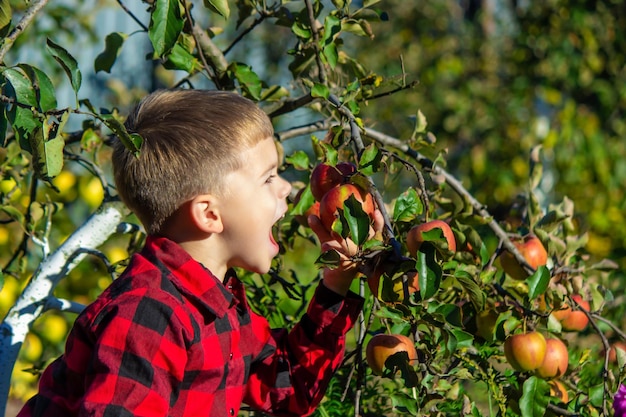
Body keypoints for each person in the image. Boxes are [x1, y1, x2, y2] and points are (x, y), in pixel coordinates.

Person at [18, 89, 384, 417]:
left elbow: (289, 390)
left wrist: (336, 282)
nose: (287, 188)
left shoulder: (216, 305)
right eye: (268, 177)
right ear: (209, 214)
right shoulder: (149, 314)